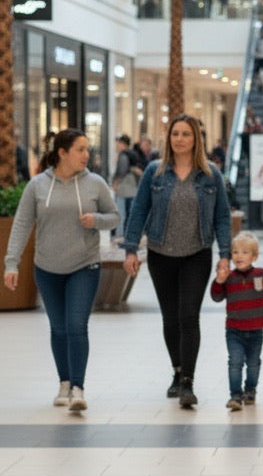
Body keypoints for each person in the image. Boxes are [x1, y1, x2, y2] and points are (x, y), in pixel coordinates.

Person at [3, 129, 119, 413]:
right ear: (62, 153)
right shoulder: (38, 186)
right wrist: (11, 263)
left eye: (87, 149)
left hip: (84, 265)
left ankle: (78, 388)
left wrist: (96, 220)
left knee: (77, 326)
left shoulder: (95, 183)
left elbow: (114, 216)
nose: (86, 155)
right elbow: (21, 224)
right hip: (47, 268)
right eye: (80, 149)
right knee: (58, 329)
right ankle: (64, 383)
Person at [123, 114, 232, 410]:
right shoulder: (154, 173)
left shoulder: (211, 175)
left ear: (196, 139)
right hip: (161, 255)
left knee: (188, 316)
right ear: (168, 138)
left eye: (186, 134)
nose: (180, 139)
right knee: (170, 318)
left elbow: (222, 217)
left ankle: (188, 382)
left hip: (197, 253)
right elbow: (138, 211)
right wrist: (130, 249)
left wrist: (225, 255)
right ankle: (176, 370)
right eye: (175, 134)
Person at [211, 232, 263, 411]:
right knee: (235, 362)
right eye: (235, 252)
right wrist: (218, 281)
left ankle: (250, 390)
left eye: (244, 252)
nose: (239, 256)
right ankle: (235, 395)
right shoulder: (228, 277)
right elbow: (216, 296)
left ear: (254, 256)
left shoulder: (260, 275)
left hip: (255, 330)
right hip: (234, 330)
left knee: (253, 363)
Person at [111, 134, 139, 241]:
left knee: (121, 212)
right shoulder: (134, 154)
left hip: (124, 187)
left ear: (122, 143)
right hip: (133, 187)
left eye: (118, 143)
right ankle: (129, 235)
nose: (117, 146)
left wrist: (116, 182)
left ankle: (120, 235)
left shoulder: (123, 155)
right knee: (130, 213)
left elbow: (122, 170)